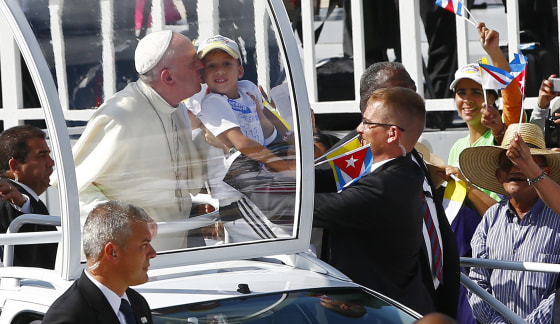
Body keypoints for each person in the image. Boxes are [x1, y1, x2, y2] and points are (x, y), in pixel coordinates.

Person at [318, 61, 460, 318]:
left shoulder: (410, 152)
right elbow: (311, 193)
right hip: (379, 307)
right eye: (399, 91)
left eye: (413, 89)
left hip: (425, 296)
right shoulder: (356, 152)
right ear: (369, 103)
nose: (410, 98)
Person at [72, 30, 206, 250]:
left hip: (173, 255)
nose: (202, 65)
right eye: (193, 62)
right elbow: (76, 189)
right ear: (168, 77)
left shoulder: (178, 109)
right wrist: (123, 221)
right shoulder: (121, 115)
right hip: (124, 260)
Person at [459, 123, 560, 323]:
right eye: (507, 164)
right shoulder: (490, 220)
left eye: (523, 162)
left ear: (544, 172)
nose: (515, 169)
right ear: (499, 176)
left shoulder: (557, 218)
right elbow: (477, 282)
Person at [41, 200, 156, 324]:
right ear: (112, 252)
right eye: (144, 245)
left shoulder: (137, 303)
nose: (153, 253)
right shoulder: (67, 318)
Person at [447, 22, 525, 202]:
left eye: (476, 92)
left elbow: (512, 98)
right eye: (461, 92)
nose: (467, 99)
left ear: (492, 98)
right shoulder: (457, 147)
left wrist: (494, 51)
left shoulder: (504, 133)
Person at [0, 125, 57, 269]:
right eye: (42, 156)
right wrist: (21, 204)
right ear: (15, 166)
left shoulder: (29, 200)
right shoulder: (6, 197)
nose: (51, 163)